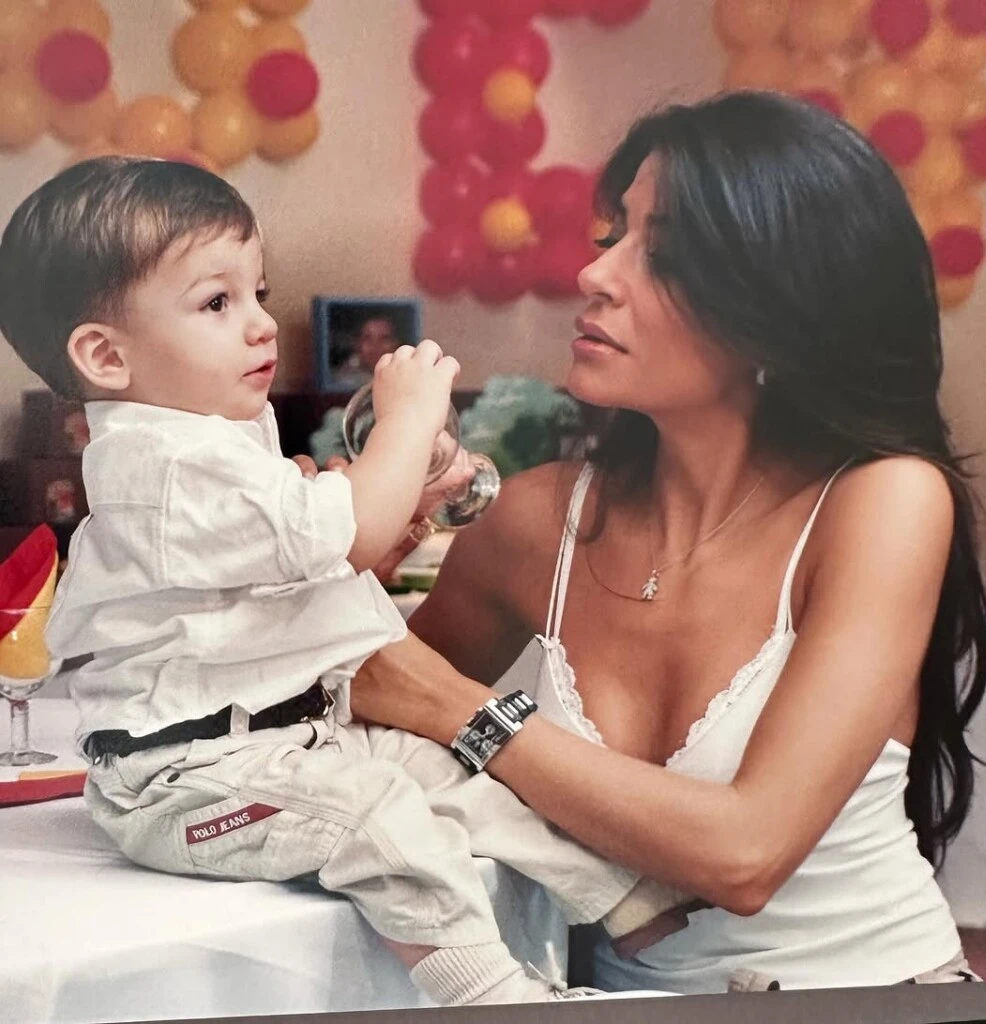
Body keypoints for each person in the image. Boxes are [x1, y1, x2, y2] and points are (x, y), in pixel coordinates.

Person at [0, 157, 686, 1007]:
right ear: (106, 355)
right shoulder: (163, 464)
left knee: (455, 775)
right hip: (186, 778)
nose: (261, 325)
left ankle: (642, 917)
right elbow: (346, 531)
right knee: (378, 825)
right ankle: (494, 999)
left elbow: (317, 554)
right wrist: (407, 421)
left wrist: (402, 491)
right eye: (217, 303)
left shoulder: (214, 434)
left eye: (257, 292)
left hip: (291, 741)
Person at [349, 91, 986, 994]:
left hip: (871, 1002)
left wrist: (464, 710)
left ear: (783, 306)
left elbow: (747, 854)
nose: (595, 273)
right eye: (612, 235)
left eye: (663, 254)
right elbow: (358, 721)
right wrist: (336, 569)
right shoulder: (533, 523)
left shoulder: (881, 501)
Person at [331, 312, 402, 390]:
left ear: (395, 343)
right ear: (357, 343)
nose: (375, 345)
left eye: (384, 338)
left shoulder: (405, 376)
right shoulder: (341, 380)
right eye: (367, 338)